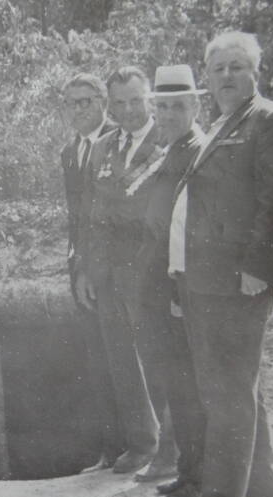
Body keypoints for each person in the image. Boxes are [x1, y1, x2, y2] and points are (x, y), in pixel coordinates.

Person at [168, 32, 273, 497]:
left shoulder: (270, 120)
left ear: (255, 72)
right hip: (204, 282)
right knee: (239, 394)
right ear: (207, 76)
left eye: (237, 67)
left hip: (237, 284)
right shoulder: (224, 123)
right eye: (218, 68)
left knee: (226, 400)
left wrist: (259, 270)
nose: (226, 76)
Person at [73, 66, 163, 474]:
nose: (129, 110)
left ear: (150, 100)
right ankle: (141, 443)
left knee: (158, 359)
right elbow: (93, 215)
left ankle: (168, 449)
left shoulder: (168, 142)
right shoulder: (102, 147)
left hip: (152, 272)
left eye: (136, 101)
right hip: (109, 274)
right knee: (122, 360)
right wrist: (89, 271)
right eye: (120, 103)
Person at [126, 65, 207, 497]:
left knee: (189, 385)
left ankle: (198, 476)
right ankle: (188, 470)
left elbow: (191, 228)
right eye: (164, 106)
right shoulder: (170, 149)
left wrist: (179, 285)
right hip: (157, 284)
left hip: (178, 284)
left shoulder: (197, 151)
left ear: (195, 106)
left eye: (180, 106)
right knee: (177, 383)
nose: (171, 114)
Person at [58, 73, 123, 472]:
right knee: (97, 362)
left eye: (86, 101)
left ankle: (137, 447)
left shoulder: (120, 141)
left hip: (115, 271)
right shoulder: (70, 151)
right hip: (83, 269)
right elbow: (77, 217)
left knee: (123, 361)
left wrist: (95, 270)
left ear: (103, 101)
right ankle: (111, 450)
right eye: (72, 103)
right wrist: (77, 267)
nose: (79, 109)